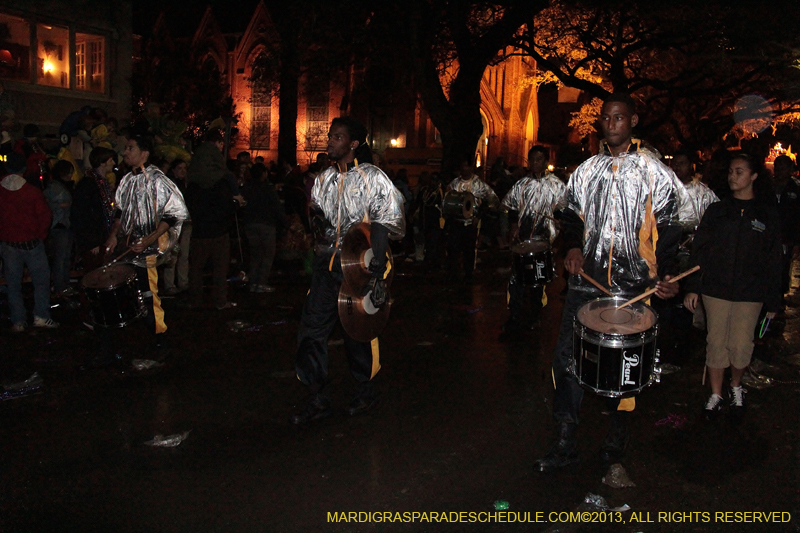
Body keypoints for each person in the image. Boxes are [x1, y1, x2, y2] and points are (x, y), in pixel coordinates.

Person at [534, 94, 694, 472]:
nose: (612, 124)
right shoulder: (587, 169)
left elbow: (673, 228)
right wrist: (572, 247)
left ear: (633, 121)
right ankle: (565, 437)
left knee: (625, 365)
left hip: (634, 288)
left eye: (619, 117)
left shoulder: (655, 172)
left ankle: (617, 430)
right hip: (585, 285)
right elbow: (570, 215)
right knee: (567, 360)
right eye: (606, 118)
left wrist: (669, 276)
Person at [291, 116, 405, 425]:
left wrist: (377, 273)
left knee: (359, 333)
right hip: (326, 269)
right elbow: (315, 211)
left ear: (353, 144)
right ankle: (316, 396)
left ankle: (365, 390)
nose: (330, 141)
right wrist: (315, 229)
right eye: (330, 136)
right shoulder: (325, 178)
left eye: (337, 137)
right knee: (312, 331)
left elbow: (383, 222)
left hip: (358, 270)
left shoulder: (373, 177)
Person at [684, 153, 781, 421]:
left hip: (751, 292)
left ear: (753, 176)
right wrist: (693, 287)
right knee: (716, 342)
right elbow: (699, 251)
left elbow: (774, 260)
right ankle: (716, 393)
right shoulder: (717, 211)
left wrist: (774, 301)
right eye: (730, 172)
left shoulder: (765, 214)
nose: (732, 177)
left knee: (740, 345)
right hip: (716, 289)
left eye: (739, 172)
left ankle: (736, 386)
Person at [103, 134, 188, 350]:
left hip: (147, 248)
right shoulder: (125, 180)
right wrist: (114, 236)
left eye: (130, 148)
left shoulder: (158, 180)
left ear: (144, 153)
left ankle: (159, 337)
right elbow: (119, 213)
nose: (125, 152)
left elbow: (174, 214)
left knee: (149, 293)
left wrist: (149, 239)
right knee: (127, 291)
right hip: (128, 247)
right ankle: (129, 334)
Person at [501, 146, 565, 335]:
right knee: (517, 281)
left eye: (539, 159)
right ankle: (514, 317)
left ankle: (534, 317)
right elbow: (511, 206)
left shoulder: (556, 185)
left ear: (545, 161)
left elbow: (562, 208)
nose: (535, 163)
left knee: (537, 282)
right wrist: (513, 226)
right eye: (532, 159)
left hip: (543, 241)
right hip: (522, 240)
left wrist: (561, 221)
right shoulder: (521, 184)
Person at [0, 153, 58, 331]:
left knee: (13, 284)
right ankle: (41, 315)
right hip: (32, 243)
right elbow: (45, 216)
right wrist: (40, 236)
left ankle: (18, 320)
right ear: (24, 170)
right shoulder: (32, 192)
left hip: (9, 243)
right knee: (40, 281)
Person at [186, 130, 237, 310]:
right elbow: (226, 206)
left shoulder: (192, 180)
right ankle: (219, 301)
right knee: (219, 268)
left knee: (196, 268)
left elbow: (189, 203)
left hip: (199, 229)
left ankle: (195, 300)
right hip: (218, 230)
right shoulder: (221, 181)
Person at [445, 159, 499, 283]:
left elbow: (490, 199)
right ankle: (454, 273)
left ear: (471, 168)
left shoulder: (478, 184)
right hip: (456, 221)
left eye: (467, 166)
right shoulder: (455, 183)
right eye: (462, 166)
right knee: (453, 248)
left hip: (471, 222)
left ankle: (468, 273)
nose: (465, 169)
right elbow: (448, 200)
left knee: (469, 249)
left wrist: (478, 216)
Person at [242, 163, 286, 293]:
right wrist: (284, 222)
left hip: (250, 224)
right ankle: (261, 282)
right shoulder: (267, 189)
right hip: (266, 224)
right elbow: (276, 207)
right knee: (267, 255)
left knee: (255, 254)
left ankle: (253, 282)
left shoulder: (247, 188)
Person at [71, 147, 116, 274]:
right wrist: (92, 242)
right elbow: (83, 215)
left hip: (103, 237)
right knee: (94, 275)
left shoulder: (102, 183)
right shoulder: (87, 185)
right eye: (110, 160)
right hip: (94, 241)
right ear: (102, 162)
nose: (113, 163)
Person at [44, 160, 76, 297]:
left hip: (65, 225)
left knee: (65, 258)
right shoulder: (54, 187)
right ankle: (60, 287)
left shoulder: (62, 186)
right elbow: (47, 203)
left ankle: (64, 286)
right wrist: (61, 205)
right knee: (61, 258)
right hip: (59, 226)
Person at [770, 155, 800, 298]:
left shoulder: (795, 189)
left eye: (783, 168)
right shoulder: (767, 187)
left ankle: (779, 298)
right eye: (777, 167)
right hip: (769, 235)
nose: (780, 171)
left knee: (783, 267)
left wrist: (796, 241)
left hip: (786, 237)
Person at [162, 159, 191, 295]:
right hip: (173, 225)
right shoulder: (170, 186)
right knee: (172, 253)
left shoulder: (186, 185)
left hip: (185, 223)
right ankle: (169, 283)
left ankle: (183, 281)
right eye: (179, 168)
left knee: (183, 254)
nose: (183, 171)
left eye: (184, 169)